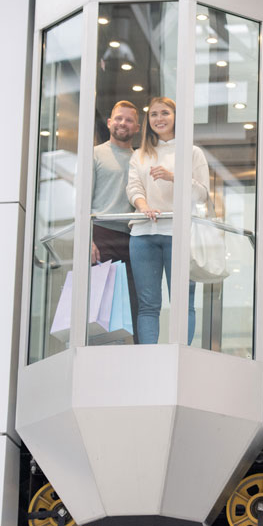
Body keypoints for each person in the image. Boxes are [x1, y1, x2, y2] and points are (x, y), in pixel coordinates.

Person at [126, 97, 209, 345]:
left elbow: (202, 194)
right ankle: (148, 359)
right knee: (147, 304)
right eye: (153, 114)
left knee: (183, 302)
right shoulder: (139, 154)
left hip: (179, 233)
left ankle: (181, 356)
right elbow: (134, 188)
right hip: (143, 233)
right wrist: (144, 207)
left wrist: (174, 177)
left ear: (176, 117)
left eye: (165, 113)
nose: (159, 119)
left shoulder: (192, 153)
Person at [91, 100, 140, 339]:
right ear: (110, 122)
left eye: (129, 120)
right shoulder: (95, 154)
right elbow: (82, 203)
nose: (123, 123)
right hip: (101, 234)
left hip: (133, 238)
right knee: (100, 306)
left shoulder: (141, 159)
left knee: (132, 304)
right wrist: (87, 240)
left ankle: (134, 355)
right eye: (118, 118)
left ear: (137, 128)